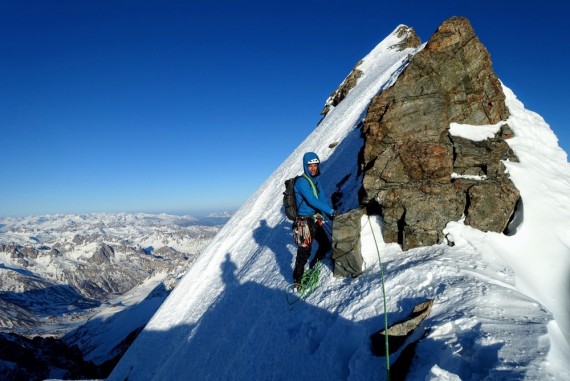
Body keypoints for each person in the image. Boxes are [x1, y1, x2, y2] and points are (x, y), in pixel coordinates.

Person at [292, 152, 335, 291]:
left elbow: (321, 199)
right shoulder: (301, 182)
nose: (313, 168)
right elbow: (312, 200)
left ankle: (313, 268)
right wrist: (331, 212)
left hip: (313, 219)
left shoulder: (315, 181)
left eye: (315, 165)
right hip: (304, 222)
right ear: (305, 166)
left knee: (325, 244)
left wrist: (326, 213)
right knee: (304, 252)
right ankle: (297, 282)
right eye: (310, 165)